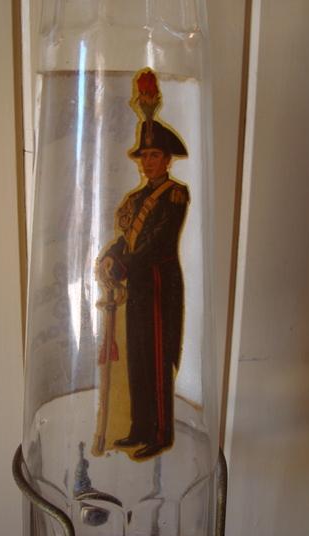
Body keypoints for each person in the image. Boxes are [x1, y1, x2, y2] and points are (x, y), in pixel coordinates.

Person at [98, 114, 190, 460]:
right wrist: (111, 256)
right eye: (145, 156)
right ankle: (139, 428)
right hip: (138, 284)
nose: (148, 162)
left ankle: (161, 433)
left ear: (167, 160)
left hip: (160, 284)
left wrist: (123, 265)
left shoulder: (175, 195)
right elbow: (128, 239)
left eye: (154, 155)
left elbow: (157, 244)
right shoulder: (136, 199)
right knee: (137, 356)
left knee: (157, 357)